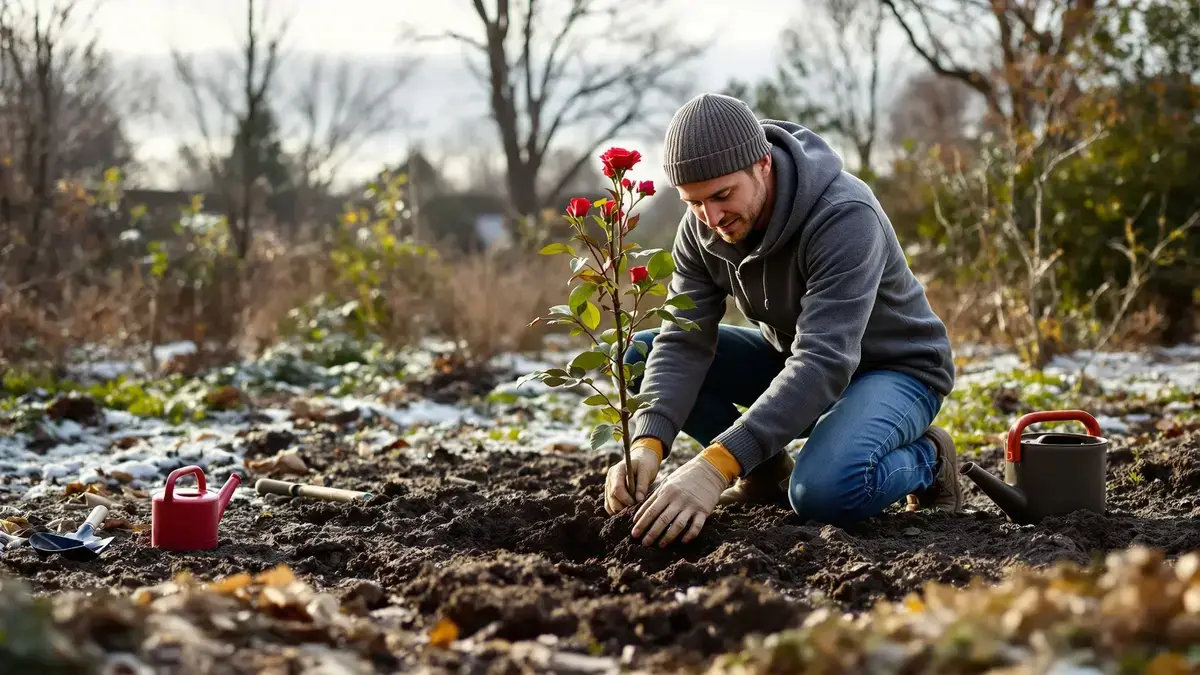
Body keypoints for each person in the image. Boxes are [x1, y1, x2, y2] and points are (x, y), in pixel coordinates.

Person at [603, 92, 961, 548]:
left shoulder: (843, 214)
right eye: (693, 202)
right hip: (795, 360)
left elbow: (823, 362)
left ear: (763, 165)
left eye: (722, 195)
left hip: (894, 371)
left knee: (822, 494)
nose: (711, 217)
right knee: (641, 354)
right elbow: (682, 341)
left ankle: (929, 459)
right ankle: (764, 475)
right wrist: (647, 445)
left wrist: (715, 466)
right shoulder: (702, 227)